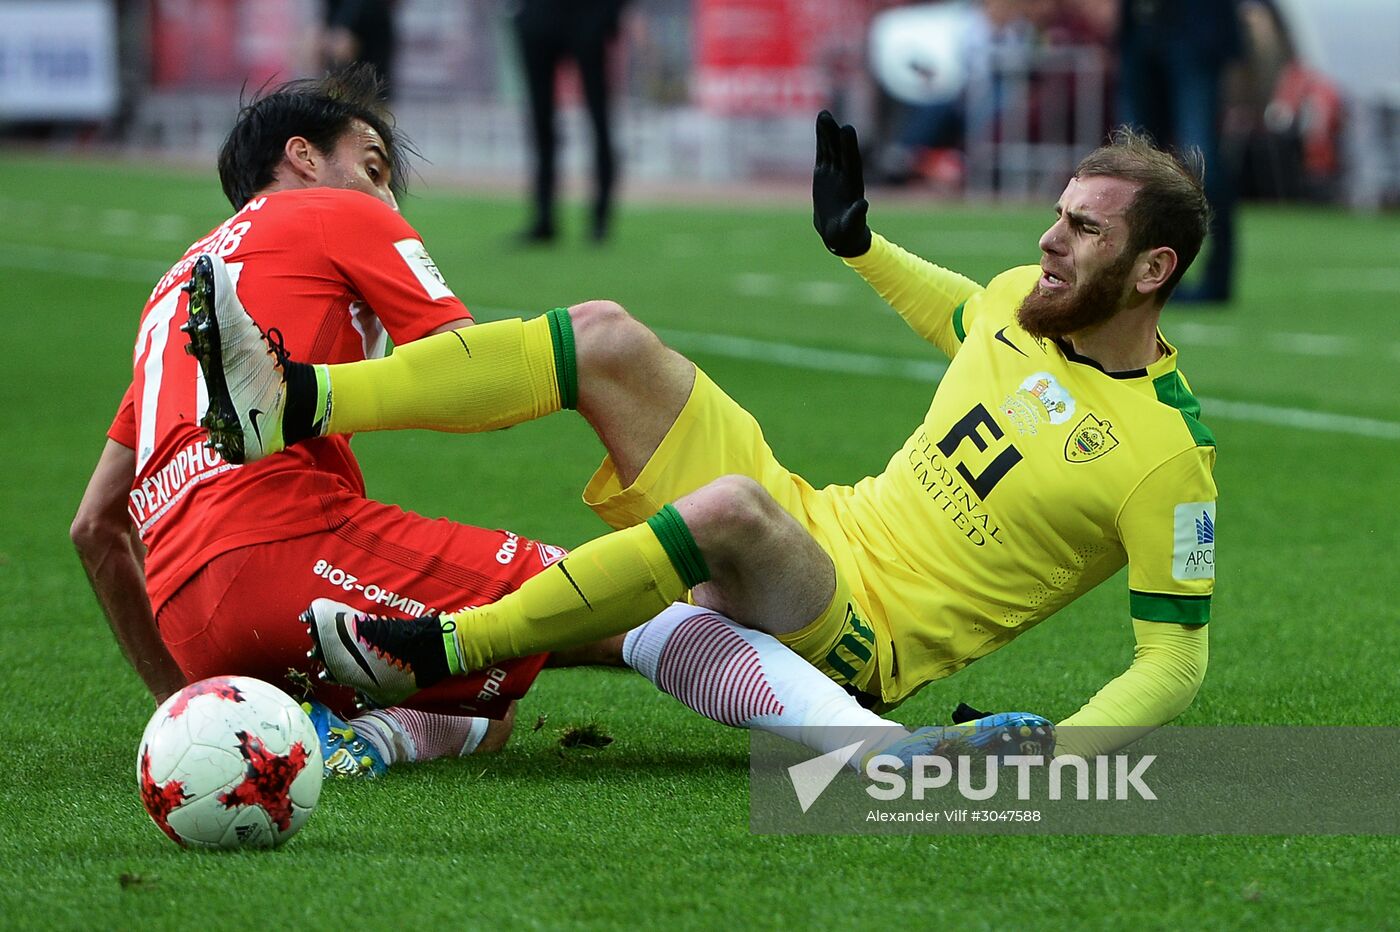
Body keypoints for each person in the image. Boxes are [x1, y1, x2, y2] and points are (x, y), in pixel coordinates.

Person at [73, 69, 1050, 779]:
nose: (385, 191)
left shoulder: (177, 288)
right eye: (373, 164)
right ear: (303, 158)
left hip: (193, 616)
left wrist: (184, 699)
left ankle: (355, 734)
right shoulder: (333, 213)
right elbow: (481, 373)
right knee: (633, 603)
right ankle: (888, 757)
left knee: (493, 699)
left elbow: (94, 527)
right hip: (281, 549)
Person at [190, 111, 1216, 760]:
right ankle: (298, 402)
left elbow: (1171, 659)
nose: (1047, 237)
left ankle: (438, 646)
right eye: (1058, 212)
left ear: (1150, 269)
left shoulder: (1164, 457)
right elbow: (958, 310)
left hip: (859, 634)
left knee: (725, 510)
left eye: (1083, 228)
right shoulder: (1019, 302)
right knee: (602, 335)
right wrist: (857, 244)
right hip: (815, 519)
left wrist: (1072, 751)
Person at [1117, 0, 1244, 302]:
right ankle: (1144, 275)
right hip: (1142, 28)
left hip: (1192, 28)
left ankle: (1215, 279)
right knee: (1137, 163)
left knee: (1203, 163)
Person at [513, 0, 626, 243]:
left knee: (599, 120)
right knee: (540, 121)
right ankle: (544, 218)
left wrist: (610, 16)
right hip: (539, 17)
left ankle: (601, 219)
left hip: (589, 16)